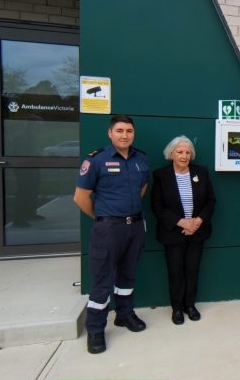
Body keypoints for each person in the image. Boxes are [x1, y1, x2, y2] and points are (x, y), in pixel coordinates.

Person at [74, 115, 151, 355]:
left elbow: (142, 188)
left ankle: (124, 314)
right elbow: (81, 197)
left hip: (135, 227)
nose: (125, 135)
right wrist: (102, 217)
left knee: (127, 274)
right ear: (110, 133)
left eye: (129, 131)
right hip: (108, 229)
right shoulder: (96, 160)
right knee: (101, 279)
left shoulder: (141, 158)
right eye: (119, 130)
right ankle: (96, 329)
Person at [151, 136, 216, 325]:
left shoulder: (200, 172)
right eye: (180, 152)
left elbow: (211, 201)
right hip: (173, 233)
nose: (184, 156)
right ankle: (177, 308)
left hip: (197, 231)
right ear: (171, 154)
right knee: (176, 271)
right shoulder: (161, 175)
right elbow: (157, 206)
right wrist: (182, 222)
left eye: (188, 152)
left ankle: (190, 305)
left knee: (192, 270)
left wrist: (197, 222)